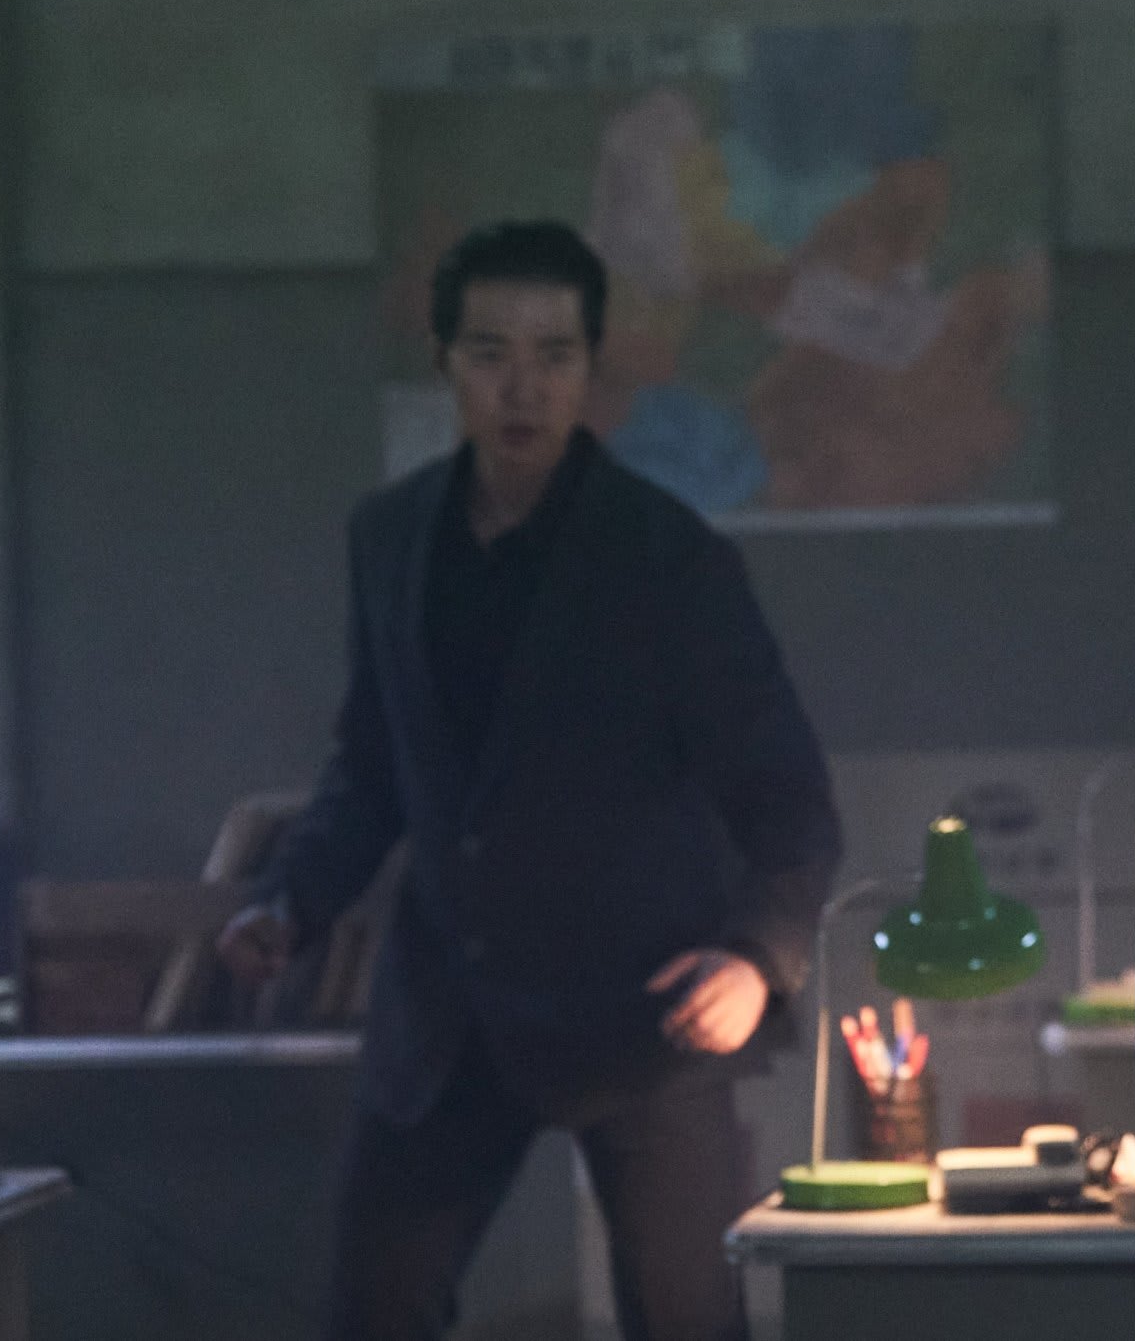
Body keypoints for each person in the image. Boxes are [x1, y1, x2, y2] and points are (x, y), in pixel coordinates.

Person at [219, 220, 840, 1341]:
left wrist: (757, 958)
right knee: (372, 1312)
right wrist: (289, 903)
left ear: (590, 368)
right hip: (450, 1003)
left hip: (644, 1005)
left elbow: (788, 798)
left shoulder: (667, 556)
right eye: (491, 353)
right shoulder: (392, 536)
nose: (524, 387)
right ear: (445, 362)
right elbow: (373, 764)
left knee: (689, 1320)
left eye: (554, 356)